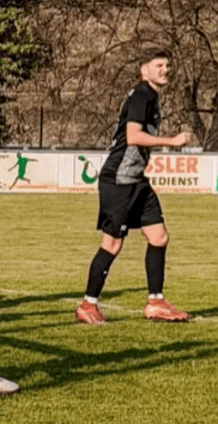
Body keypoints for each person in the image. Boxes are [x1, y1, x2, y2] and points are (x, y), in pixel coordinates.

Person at [75, 49, 192, 325]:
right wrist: (172, 141)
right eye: (159, 65)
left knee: (159, 237)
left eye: (167, 65)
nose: (165, 69)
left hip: (137, 180)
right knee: (112, 243)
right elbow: (132, 136)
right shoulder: (141, 95)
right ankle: (88, 305)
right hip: (120, 180)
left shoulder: (151, 96)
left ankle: (155, 302)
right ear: (144, 70)